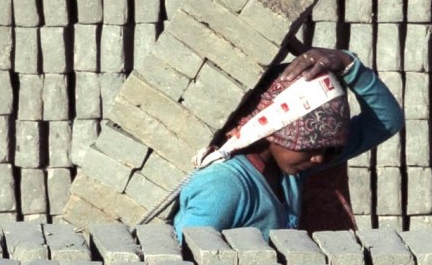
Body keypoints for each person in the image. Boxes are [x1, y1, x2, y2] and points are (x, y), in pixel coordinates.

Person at [172, 46, 405, 240]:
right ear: (272, 130)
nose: (320, 158)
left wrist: (348, 65)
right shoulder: (224, 187)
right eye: (309, 146)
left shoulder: (289, 174)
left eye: (327, 147)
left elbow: (387, 122)